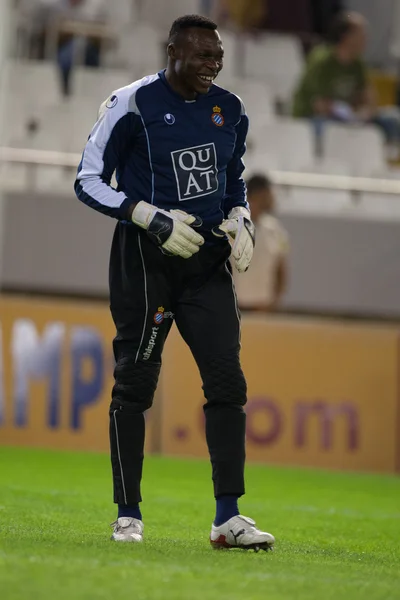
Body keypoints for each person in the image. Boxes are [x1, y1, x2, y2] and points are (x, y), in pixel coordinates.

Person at [74, 14, 275, 551]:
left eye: (219, 58)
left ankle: (228, 518)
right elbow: (87, 179)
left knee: (228, 385)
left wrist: (243, 220)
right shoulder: (132, 104)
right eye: (203, 56)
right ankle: (127, 514)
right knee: (135, 385)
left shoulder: (229, 110)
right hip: (146, 260)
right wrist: (148, 216)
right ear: (172, 53)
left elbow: (233, 180)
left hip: (207, 263)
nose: (213, 65)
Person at [292, 11, 400, 159]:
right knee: (325, 128)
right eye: (361, 34)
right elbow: (319, 105)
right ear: (346, 37)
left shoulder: (358, 64)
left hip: (351, 119)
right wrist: (345, 113)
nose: (366, 39)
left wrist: (363, 113)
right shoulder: (322, 60)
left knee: (392, 119)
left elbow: (370, 100)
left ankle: (389, 160)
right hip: (314, 118)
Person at [233, 174, 288, 313]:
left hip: (263, 307)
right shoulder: (231, 226)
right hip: (233, 307)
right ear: (258, 195)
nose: (273, 198)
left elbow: (281, 268)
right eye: (270, 193)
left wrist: (275, 301)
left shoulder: (275, 230)